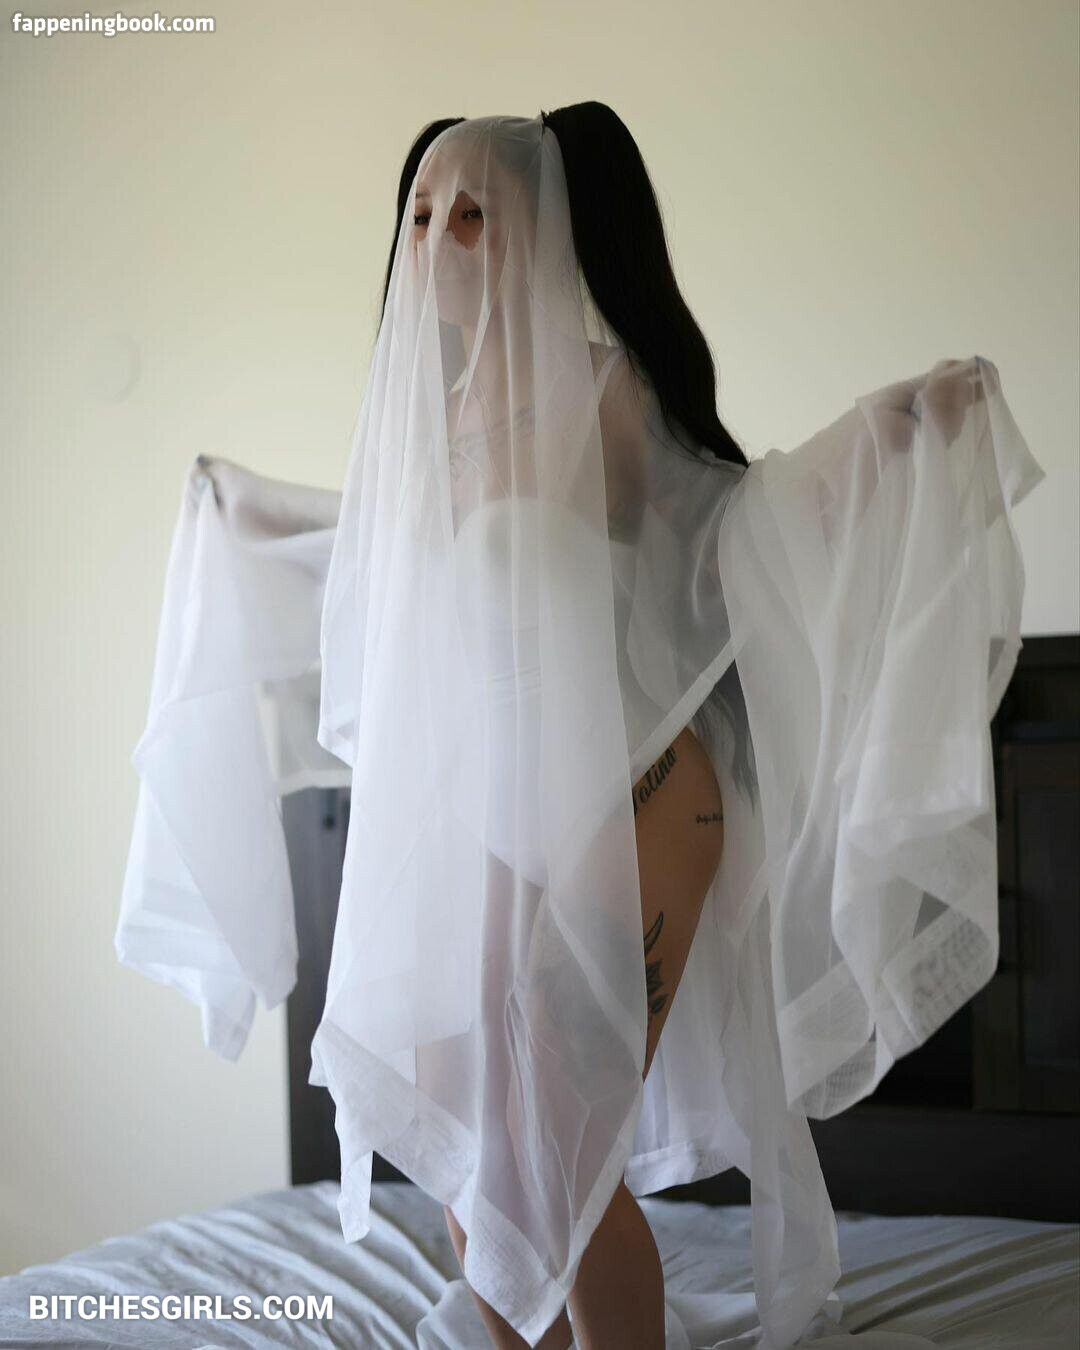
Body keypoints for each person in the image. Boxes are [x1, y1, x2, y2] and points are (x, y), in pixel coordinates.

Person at [116, 105, 1045, 1350]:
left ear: (542, 232)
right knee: (467, 1140)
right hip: (504, 817)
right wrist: (242, 513)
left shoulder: (602, 388)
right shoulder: (436, 418)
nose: (439, 239)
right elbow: (373, 567)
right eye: (422, 215)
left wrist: (887, 436)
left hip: (642, 795)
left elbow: (733, 523)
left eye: (474, 215)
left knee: (557, 1146)